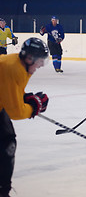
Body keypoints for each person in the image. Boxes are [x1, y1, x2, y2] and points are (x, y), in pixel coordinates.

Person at [0, 37, 49, 197]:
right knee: (7, 145)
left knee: (8, 141)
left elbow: (12, 92)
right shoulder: (13, 68)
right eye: (40, 61)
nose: (41, 65)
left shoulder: (20, 65)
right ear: (30, 58)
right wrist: (34, 107)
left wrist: (26, 98)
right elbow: (14, 112)